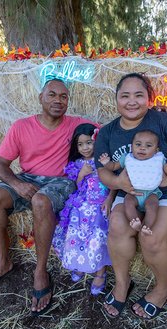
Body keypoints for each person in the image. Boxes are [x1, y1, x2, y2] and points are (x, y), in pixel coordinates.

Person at [0, 79, 96, 316]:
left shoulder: (78, 125)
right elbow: (0, 164)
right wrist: (17, 184)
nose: (58, 101)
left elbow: (111, 130)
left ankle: (40, 271)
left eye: (63, 96)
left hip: (61, 181)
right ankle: (2, 262)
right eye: (52, 95)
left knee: (40, 201)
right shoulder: (21, 126)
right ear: (40, 98)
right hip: (27, 178)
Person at [94, 73, 167, 320]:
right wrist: (117, 182)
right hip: (131, 192)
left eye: (138, 95)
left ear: (149, 98)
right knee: (117, 226)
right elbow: (103, 170)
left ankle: (162, 289)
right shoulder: (108, 132)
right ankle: (123, 284)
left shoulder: (165, 122)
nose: (131, 101)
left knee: (152, 239)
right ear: (116, 100)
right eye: (125, 95)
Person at [52, 123, 114, 296]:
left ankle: (100, 273)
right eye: (80, 144)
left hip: (100, 204)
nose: (85, 148)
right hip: (82, 203)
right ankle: (79, 263)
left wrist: (110, 199)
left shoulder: (104, 161)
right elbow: (77, 186)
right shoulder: (78, 163)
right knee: (76, 231)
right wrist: (82, 174)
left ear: (96, 141)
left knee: (97, 235)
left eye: (89, 143)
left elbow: (114, 182)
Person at [99, 129, 167, 236]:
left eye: (148, 146)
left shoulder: (158, 160)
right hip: (133, 192)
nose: (142, 148)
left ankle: (147, 226)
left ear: (156, 150)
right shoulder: (127, 158)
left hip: (152, 193)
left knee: (152, 206)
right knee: (128, 202)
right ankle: (134, 221)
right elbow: (113, 167)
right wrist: (106, 163)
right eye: (138, 144)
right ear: (132, 147)